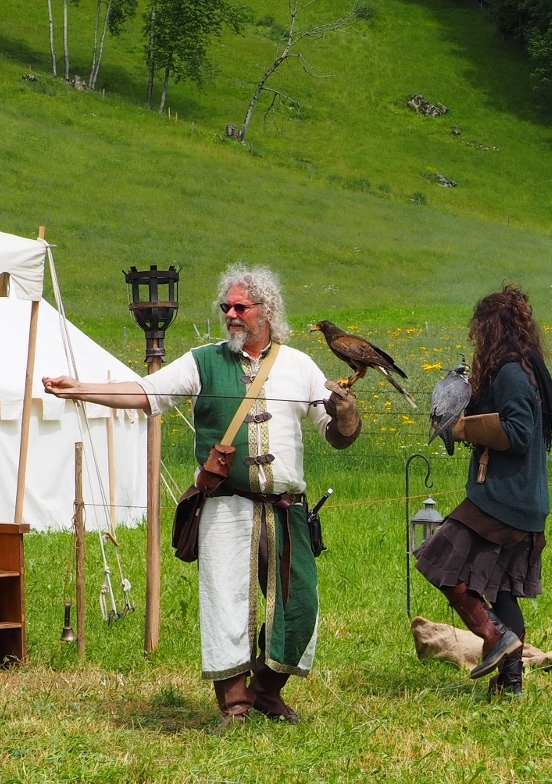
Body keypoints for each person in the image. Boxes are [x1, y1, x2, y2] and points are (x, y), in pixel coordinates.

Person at [43, 265, 361, 732]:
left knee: (300, 604)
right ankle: (234, 704)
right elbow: (144, 393)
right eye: (226, 307)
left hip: (285, 507)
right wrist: (82, 390)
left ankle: (267, 691)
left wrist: (348, 416)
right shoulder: (202, 361)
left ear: (266, 311)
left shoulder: (299, 367)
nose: (230, 315)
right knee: (225, 602)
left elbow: (334, 434)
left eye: (240, 307)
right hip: (225, 504)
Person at [415, 284, 552, 696]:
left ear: (492, 330)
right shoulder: (522, 369)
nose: (476, 338)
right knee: (503, 593)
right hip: (523, 501)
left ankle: (494, 639)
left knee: (439, 562)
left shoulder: (513, 373)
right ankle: (510, 683)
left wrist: (464, 428)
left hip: (502, 500)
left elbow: (518, 433)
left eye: (480, 330)